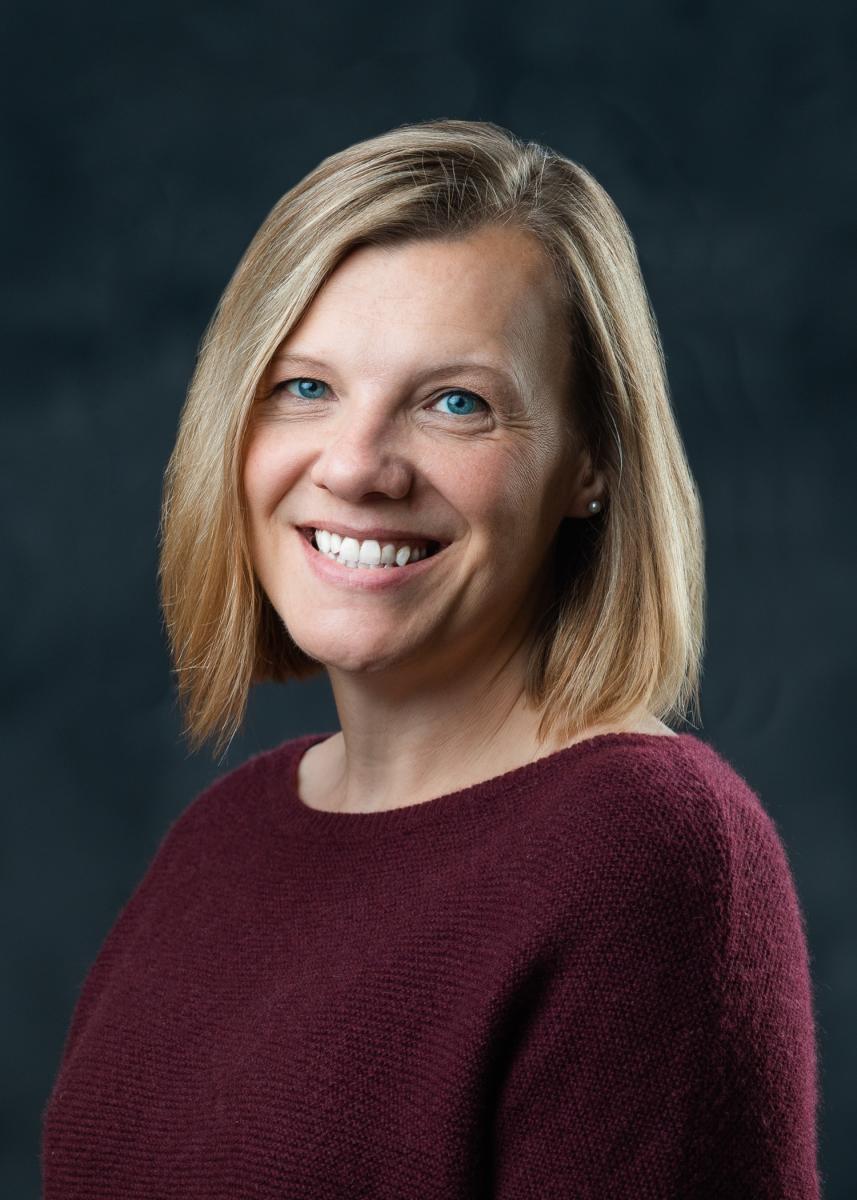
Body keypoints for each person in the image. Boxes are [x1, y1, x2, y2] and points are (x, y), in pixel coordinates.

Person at [41, 119, 821, 1197]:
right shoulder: (219, 839)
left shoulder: (651, 855)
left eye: (456, 403)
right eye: (303, 387)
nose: (356, 466)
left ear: (587, 463)